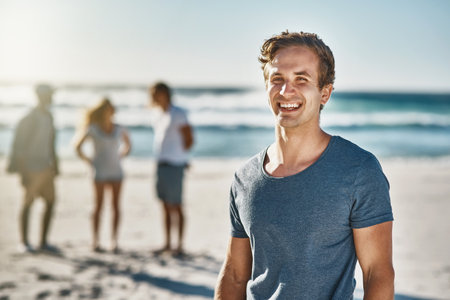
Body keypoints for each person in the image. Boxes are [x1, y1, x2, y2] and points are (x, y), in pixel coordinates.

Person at [215, 31, 394, 299]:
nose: (287, 90)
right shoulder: (245, 178)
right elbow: (234, 275)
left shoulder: (359, 170)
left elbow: (377, 273)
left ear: (325, 93)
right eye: (277, 79)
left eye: (302, 79)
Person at [74, 98, 131, 252]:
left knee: (116, 207)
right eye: (108, 108)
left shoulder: (119, 128)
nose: (111, 111)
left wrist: (121, 155)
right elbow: (77, 147)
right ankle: (96, 240)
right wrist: (89, 161)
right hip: (99, 171)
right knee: (98, 206)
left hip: (116, 171)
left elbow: (128, 145)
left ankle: (114, 241)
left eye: (112, 108)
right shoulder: (92, 128)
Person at [7, 84, 59, 253]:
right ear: (41, 96)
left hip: (47, 167)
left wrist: (56, 165)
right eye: (49, 95)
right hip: (31, 168)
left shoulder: (49, 117)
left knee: (50, 202)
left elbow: (51, 143)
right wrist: (23, 172)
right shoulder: (30, 118)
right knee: (28, 203)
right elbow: (20, 147)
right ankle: (24, 242)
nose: (52, 98)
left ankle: (43, 241)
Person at [149, 82, 194, 255]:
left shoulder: (178, 113)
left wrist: (182, 158)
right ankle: (167, 243)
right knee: (165, 205)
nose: (153, 97)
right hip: (161, 163)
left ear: (164, 93)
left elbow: (189, 138)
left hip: (175, 165)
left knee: (177, 205)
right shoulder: (158, 114)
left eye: (155, 93)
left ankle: (179, 245)